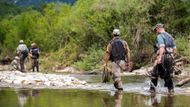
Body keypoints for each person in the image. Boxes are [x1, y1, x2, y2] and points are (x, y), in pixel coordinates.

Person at [150, 23, 176, 94]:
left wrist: (159, 58)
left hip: (163, 57)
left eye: (156, 30)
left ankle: (152, 91)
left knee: (154, 74)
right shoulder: (170, 36)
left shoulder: (160, 36)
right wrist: (172, 56)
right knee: (167, 75)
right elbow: (174, 49)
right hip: (170, 57)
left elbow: (162, 47)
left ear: (158, 28)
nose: (156, 31)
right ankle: (171, 91)